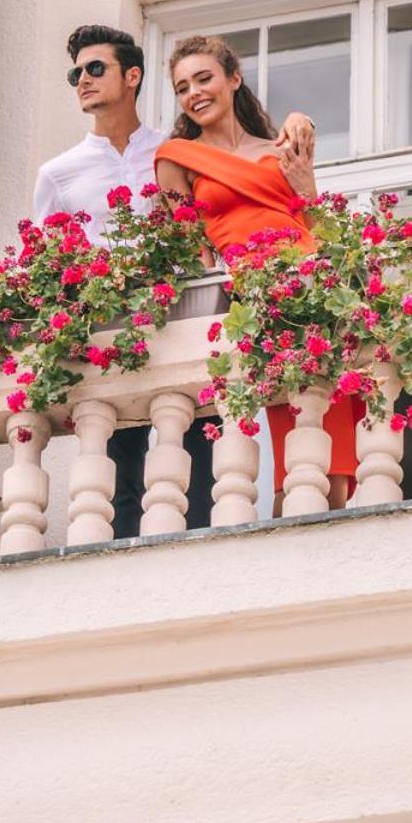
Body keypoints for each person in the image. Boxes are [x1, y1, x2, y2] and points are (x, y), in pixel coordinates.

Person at [32, 25, 315, 537]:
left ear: (132, 75)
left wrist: (299, 121)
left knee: (201, 472)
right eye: (76, 73)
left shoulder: (176, 151)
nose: (83, 80)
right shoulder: (58, 173)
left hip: (182, 330)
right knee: (116, 485)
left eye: (95, 68)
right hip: (109, 344)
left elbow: (209, 238)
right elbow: (47, 263)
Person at [155, 34, 359, 512]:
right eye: (183, 87)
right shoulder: (176, 159)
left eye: (204, 78)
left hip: (315, 292)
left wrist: (307, 182)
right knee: (295, 457)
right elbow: (196, 257)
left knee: (338, 472)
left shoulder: (278, 149)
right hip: (260, 299)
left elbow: (321, 233)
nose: (194, 93)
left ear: (234, 78)